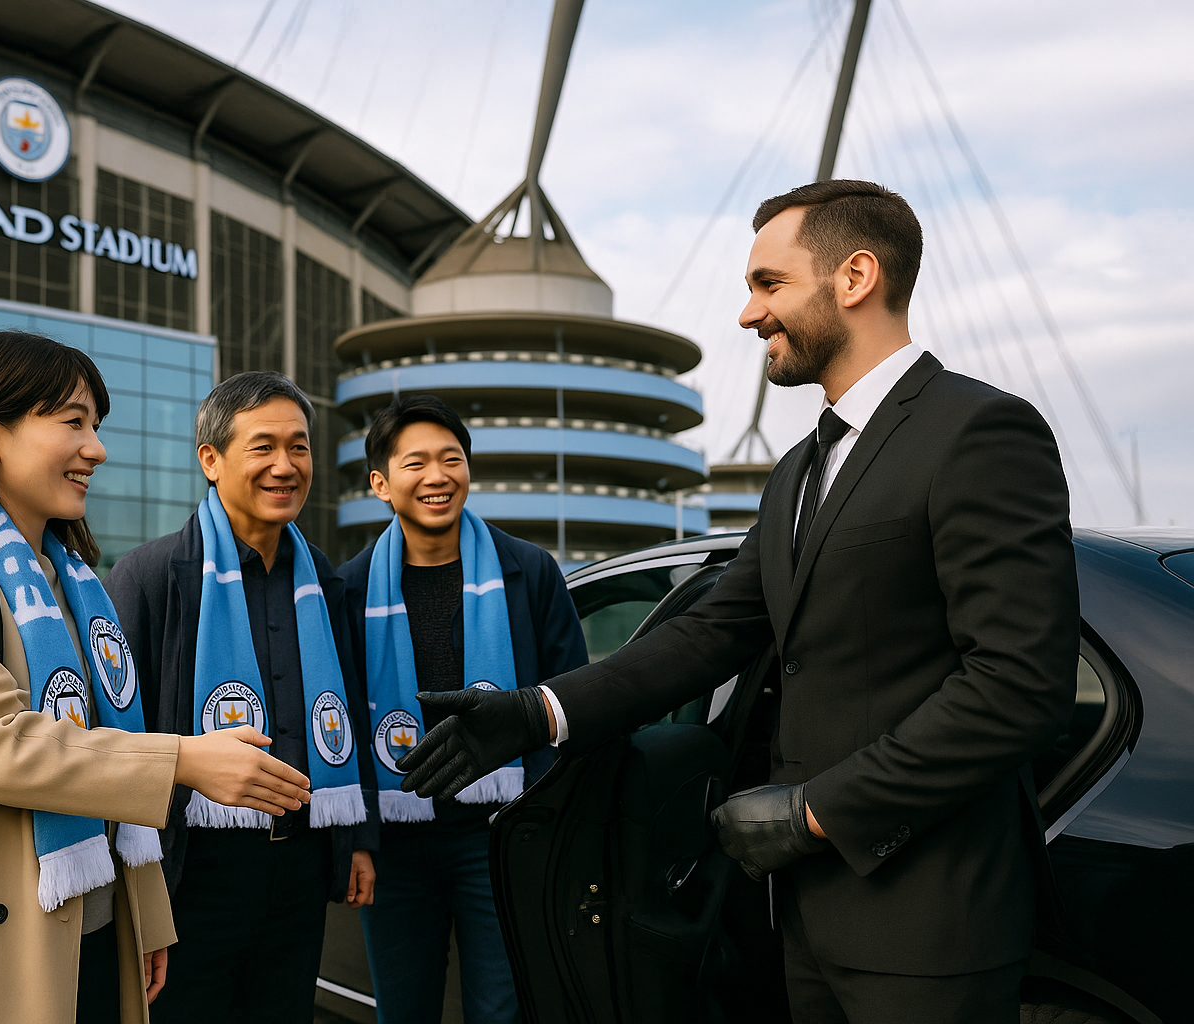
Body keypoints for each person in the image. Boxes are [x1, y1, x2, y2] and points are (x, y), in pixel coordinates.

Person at [398, 180, 1080, 1024]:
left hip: (933, 925)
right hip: (802, 918)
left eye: (768, 284)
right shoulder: (798, 468)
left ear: (856, 276)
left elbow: (1018, 687)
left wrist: (816, 812)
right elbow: (713, 630)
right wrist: (534, 713)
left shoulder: (980, 433)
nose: (748, 314)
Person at [0, 332, 311, 1024]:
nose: (97, 448)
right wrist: (183, 759)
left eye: (96, 425)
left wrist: (142, 918)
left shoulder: (74, 583)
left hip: (90, 931)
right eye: (73, 423)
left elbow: (106, 740)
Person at [105, 370, 378, 1024]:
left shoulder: (326, 584)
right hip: (191, 872)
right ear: (211, 459)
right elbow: (109, 741)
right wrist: (135, 900)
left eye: (300, 446)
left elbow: (353, 715)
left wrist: (356, 838)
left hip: (301, 869)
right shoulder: (148, 578)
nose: (285, 466)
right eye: (263, 447)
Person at [336, 395, 587, 1024]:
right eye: (415, 462)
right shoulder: (348, 589)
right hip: (395, 841)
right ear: (380, 484)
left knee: (504, 1007)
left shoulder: (529, 572)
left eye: (452, 459)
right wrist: (356, 839)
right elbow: (335, 722)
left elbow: (577, 701)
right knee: (404, 1007)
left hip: (499, 835)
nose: (438, 476)